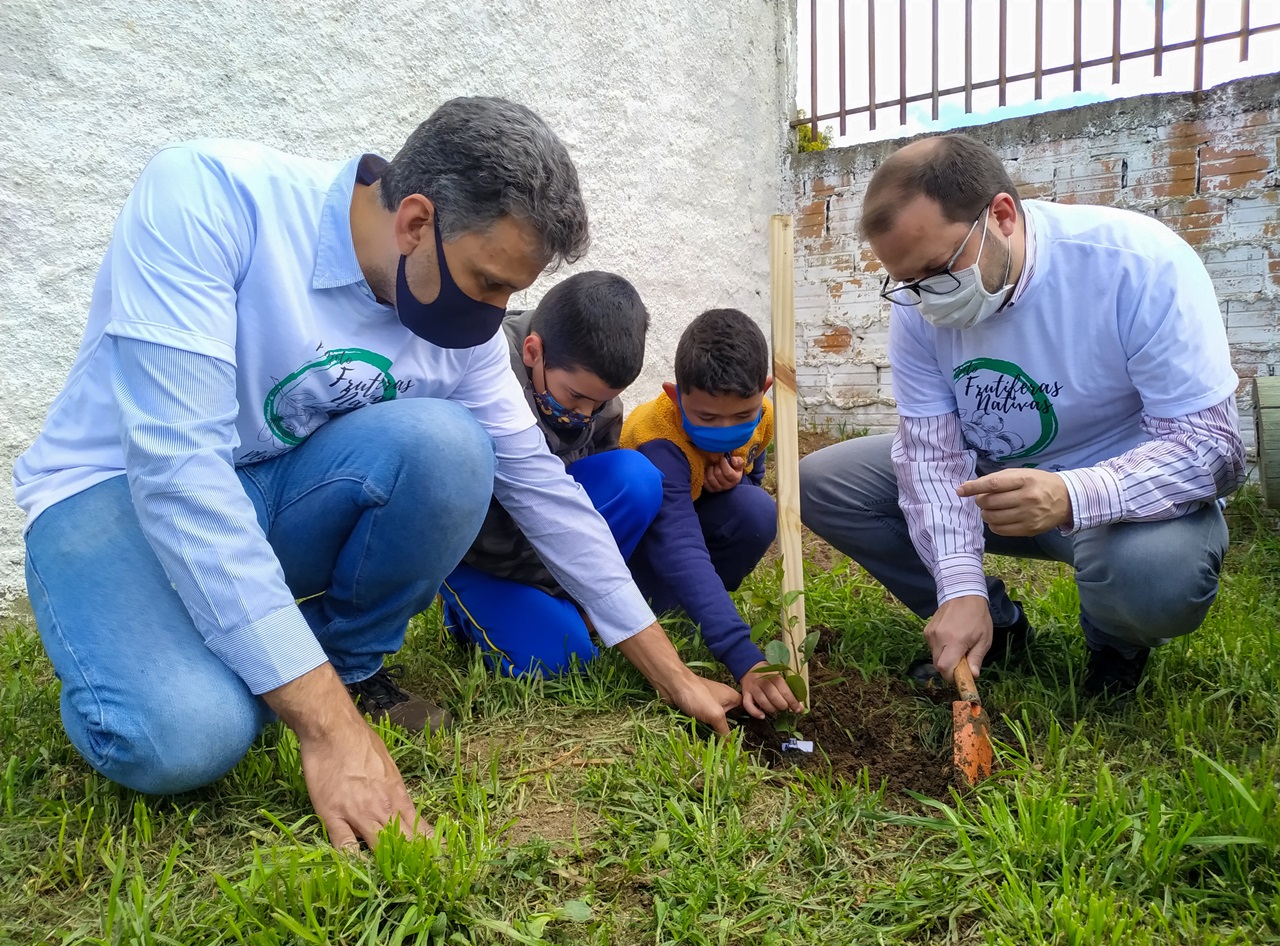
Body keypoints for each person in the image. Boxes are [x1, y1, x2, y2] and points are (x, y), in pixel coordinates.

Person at [13, 97, 741, 851]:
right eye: (489, 283)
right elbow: (179, 474)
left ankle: (339, 665)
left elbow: (543, 491)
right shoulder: (210, 197)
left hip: (267, 489)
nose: (497, 313)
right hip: (114, 491)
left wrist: (672, 672)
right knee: (188, 738)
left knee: (454, 446)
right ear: (416, 222)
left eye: (510, 295)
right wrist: (331, 734)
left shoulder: (460, 332)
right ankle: (139, 660)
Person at [799, 133, 1245, 697]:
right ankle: (990, 624)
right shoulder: (920, 307)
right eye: (908, 282)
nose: (927, 298)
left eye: (937, 270)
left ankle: (1115, 642)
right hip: (992, 486)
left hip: (1119, 506)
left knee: (1157, 575)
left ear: (1002, 216)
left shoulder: (1138, 265)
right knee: (822, 484)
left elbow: (1214, 449)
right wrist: (959, 586)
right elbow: (930, 454)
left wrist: (1070, 494)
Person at [440, 270, 664, 676]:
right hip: (481, 553)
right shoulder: (482, 365)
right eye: (576, 396)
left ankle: (567, 604)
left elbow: (581, 511)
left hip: (548, 544)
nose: (585, 414)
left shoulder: (595, 401)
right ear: (532, 351)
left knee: (637, 477)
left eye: (601, 401)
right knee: (564, 660)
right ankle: (463, 607)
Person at [623, 309, 804, 719]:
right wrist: (742, 655)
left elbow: (751, 485)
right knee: (685, 548)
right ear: (674, 396)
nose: (726, 428)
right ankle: (653, 612)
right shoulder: (658, 438)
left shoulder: (765, 419)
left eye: (741, 415)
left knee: (755, 509)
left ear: (764, 390)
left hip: (683, 528)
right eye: (706, 417)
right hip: (640, 547)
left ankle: (691, 611)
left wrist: (731, 483)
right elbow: (677, 541)